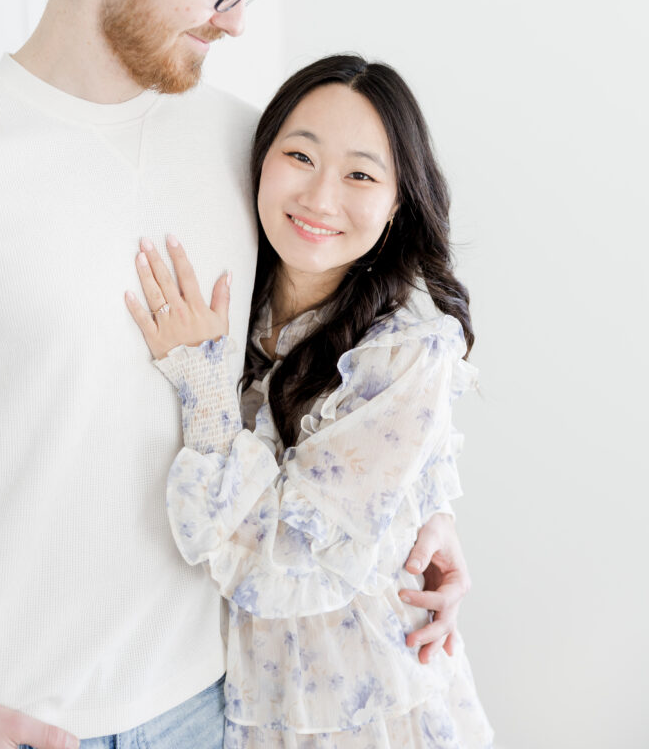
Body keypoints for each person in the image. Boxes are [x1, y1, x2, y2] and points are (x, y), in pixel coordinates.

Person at [0, 0, 469, 749]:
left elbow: (343, 350)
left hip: (217, 707)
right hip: (15, 717)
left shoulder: (247, 150)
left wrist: (421, 517)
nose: (235, 22)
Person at [126, 54, 494, 748]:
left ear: (397, 205)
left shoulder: (405, 350)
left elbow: (285, 554)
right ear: (260, 160)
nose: (321, 198)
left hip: (371, 703)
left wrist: (204, 391)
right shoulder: (242, 301)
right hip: (246, 703)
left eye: (360, 174)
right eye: (300, 156)